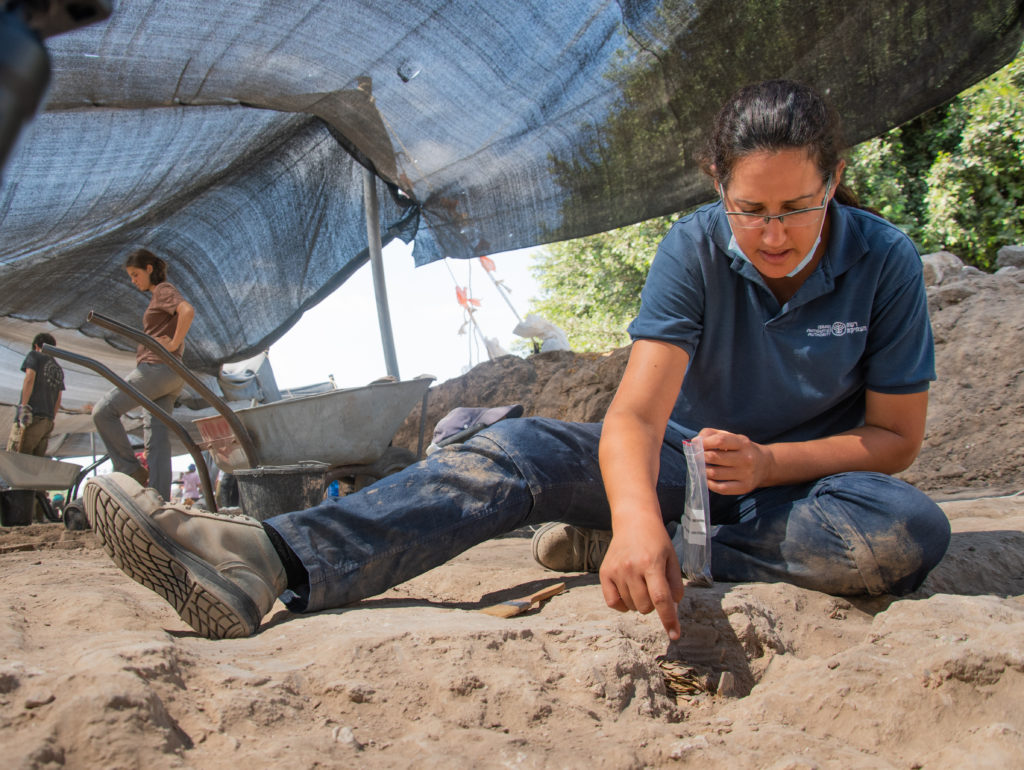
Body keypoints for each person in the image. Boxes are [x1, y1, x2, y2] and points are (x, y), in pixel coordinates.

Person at [82, 79, 951, 641]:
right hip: (682, 473)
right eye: (748, 208)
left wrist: (768, 462)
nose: (770, 234)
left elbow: (893, 437)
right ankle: (267, 561)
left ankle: (639, 542)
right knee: (516, 452)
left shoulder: (885, 262)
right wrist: (644, 514)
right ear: (713, 181)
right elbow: (638, 420)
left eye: (798, 208)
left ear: (836, 178)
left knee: (906, 532)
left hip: (809, 491)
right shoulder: (692, 251)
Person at [91, 249, 194, 501]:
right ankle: (159, 500)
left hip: (157, 368)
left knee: (103, 412)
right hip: (172, 376)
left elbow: (187, 311)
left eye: (136, 274)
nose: (133, 280)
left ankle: (128, 468)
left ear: (149, 269)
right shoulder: (157, 296)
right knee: (157, 437)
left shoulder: (162, 290)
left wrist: (172, 343)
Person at [12, 333, 65, 456]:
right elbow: (58, 398)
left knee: (16, 462)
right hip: (46, 423)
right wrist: (50, 419)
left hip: (31, 418)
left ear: (36, 346)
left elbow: (30, 378)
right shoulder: (58, 368)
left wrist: (23, 407)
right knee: (35, 466)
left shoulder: (34, 355)